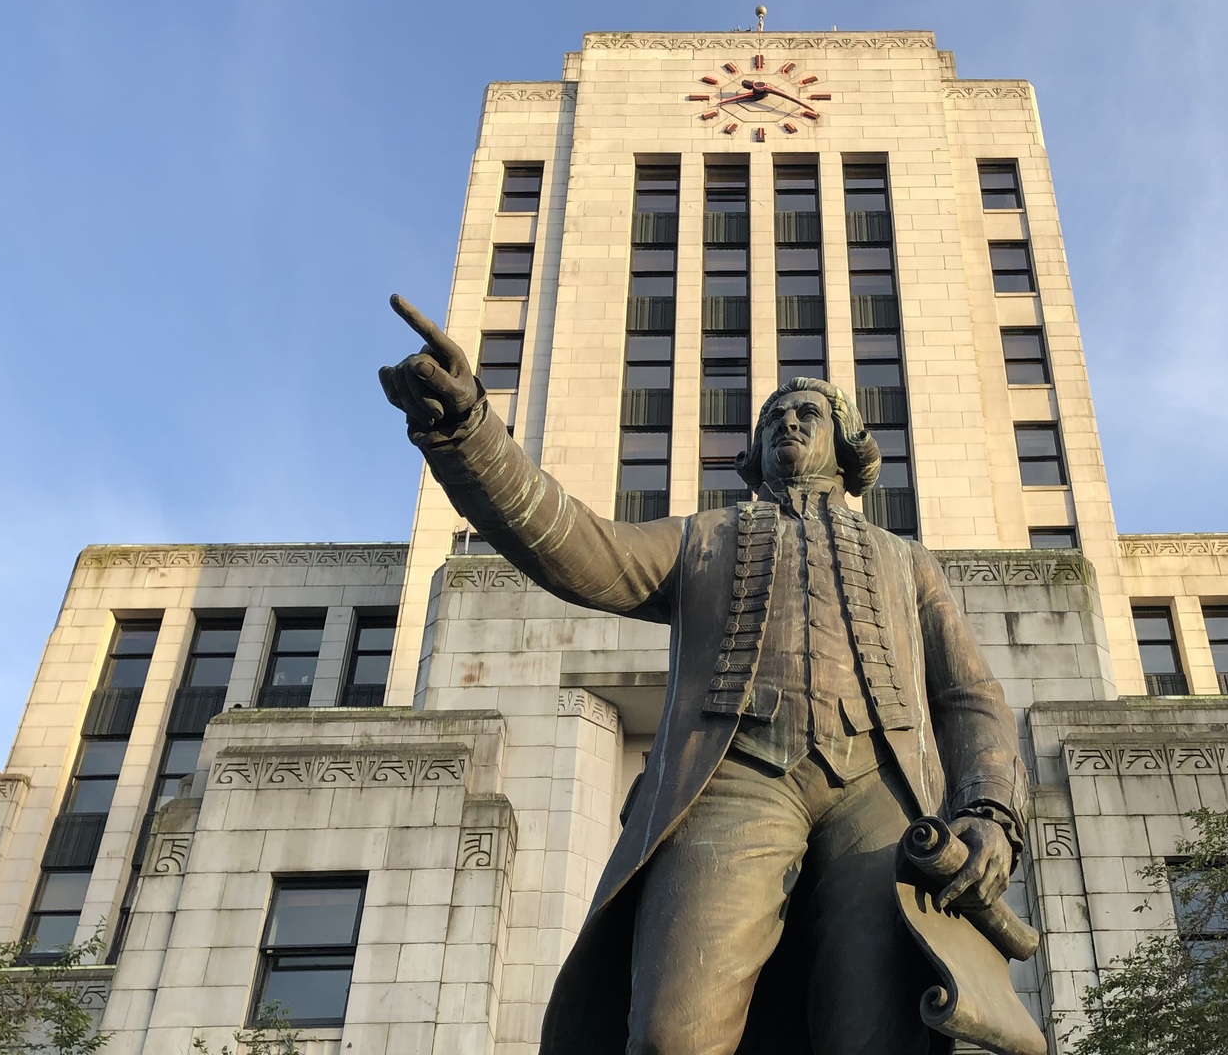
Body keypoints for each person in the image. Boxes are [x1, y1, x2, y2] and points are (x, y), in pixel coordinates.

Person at [379, 295, 1026, 1055]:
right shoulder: (705, 538)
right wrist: (468, 432)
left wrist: (990, 811)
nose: (786, 421)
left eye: (807, 414)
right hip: (735, 776)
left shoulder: (906, 560)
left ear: (848, 448)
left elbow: (968, 696)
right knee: (670, 1034)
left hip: (880, 793)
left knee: (877, 1035)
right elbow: (575, 544)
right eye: (773, 417)